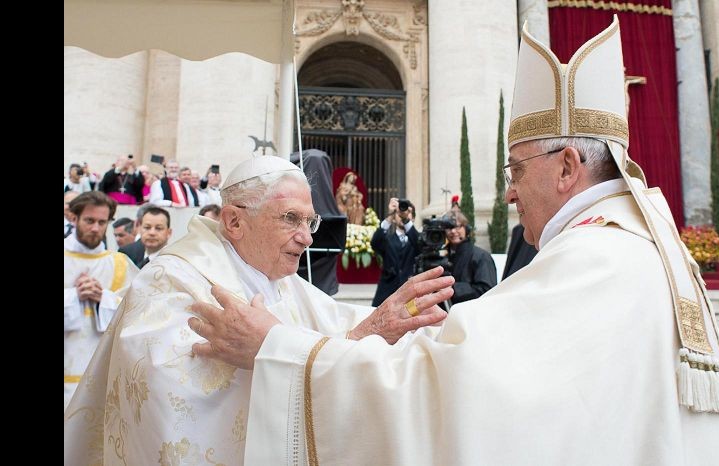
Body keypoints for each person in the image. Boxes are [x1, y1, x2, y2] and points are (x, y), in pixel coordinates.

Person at [186, 19, 719, 465]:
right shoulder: (626, 246)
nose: (508, 194)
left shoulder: (596, 259)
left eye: (515, 171)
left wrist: (279, 350)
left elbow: (448, 393)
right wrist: (370, 330)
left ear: (567, 167)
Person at [63, 155, 454, 465]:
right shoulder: (172, 282)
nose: (306, 237)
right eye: (290, 219)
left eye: (310, 220)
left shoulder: (283, 281)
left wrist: (380, 326)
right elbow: (172, 408)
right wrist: (336, 349)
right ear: (234, 220)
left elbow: (340, 325)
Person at [64, 191, 139, 410]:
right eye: (89, 221)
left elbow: (138, 312)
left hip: (101, 376)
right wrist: (72, 296)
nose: (95, 228)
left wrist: (103, 298)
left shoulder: (120, 264)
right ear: (73, 218)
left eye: (101, 222)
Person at [371, 197, 420, 306]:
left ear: (413, 218)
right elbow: (375, 243)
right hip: (387, 293)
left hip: (410, 294)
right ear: (394, 218)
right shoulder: (387, 239)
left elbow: (420, 246)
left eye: (408, 213)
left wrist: (406, 220)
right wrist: (389, 216)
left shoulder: (417, 238)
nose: (403, 215)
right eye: (399, 214)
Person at [442, 209, 497, 306]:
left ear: (466, 228)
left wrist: (452, 288)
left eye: (457, 227)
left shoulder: (481, 256)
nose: (453, 231)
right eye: (449, 228)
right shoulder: (444, 257)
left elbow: (486, 290)